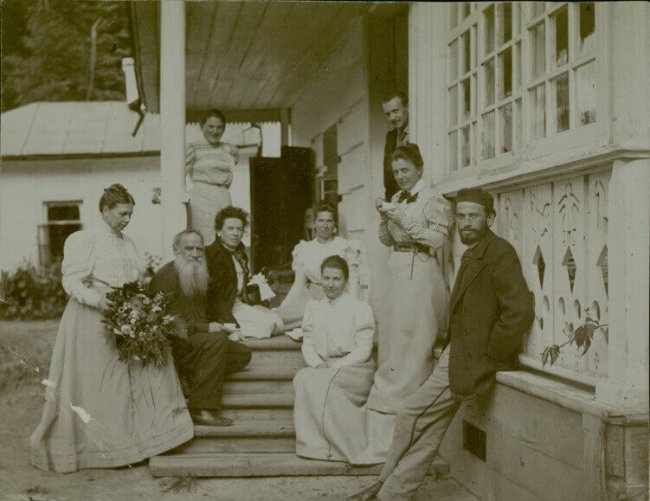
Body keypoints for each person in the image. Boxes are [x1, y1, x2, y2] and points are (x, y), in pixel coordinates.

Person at [350, 188, 535, 501]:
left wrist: (490, 354)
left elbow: (519, 311)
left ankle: (380, 485)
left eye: (474, 216)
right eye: (461, 216)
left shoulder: (499, 252)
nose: (466, 223)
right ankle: (391, 494)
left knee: (409, 414)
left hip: (471, 358)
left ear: (490, 218)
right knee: (430, 430)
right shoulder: (474, 251)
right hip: (459, 352)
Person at [30, 184, 193, 473]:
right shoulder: (85, 239)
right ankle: (109, 451)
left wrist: (139, 304)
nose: (127, 219)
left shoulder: (129, 243)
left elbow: (132, 280)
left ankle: (150, 441)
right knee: (106, 383)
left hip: (127, 314)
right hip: (92, 318)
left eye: (130, 214)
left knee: (147, 370)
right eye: (122, 214)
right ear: (105, 210)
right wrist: (98, 301)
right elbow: (71, 281)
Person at [366, 143, 453, 414]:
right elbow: (386, 239)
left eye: (405, 170)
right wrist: (384, 218)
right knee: (392, 332)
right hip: (396, 267)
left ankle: (408, 397)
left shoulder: (432, 199)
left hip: (420, 268)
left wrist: (404, 220)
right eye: (396, 172)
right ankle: (388, 393)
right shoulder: (397, 197)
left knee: (413, 332)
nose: (400, 176)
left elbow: (437, 240)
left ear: (419, 169)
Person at [293, 255, 390, 464]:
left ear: (345, 281)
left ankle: (342, 447)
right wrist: (318, 364)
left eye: (336, 279)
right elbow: (308, 343)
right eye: (326, 278)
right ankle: (315, 446)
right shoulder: (313, 308)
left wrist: (335, 365)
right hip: (323, 365)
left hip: (355, 367)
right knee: (302, 378)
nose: (330, 284)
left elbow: (363, 349)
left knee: (325, 382)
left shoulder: (359, 308)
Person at [149, 230, 252, 427]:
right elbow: (165, 322)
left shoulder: (200, 273)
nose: (196, 254)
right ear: (176, 250)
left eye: (200, 249)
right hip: (175, 344)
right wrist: (206, 327)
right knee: (217, 341)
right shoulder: (165, 277)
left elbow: (215, 306)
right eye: (189, 249)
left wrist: (231, 327)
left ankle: (190, 378)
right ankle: (201, 408)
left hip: (196, 342)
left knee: (242, 354)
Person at [276, 202, 360, 330]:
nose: (325, 225)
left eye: (329, 221)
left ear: (334, 224)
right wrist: (284, 307)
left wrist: (352, 307)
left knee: (324, 319)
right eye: (321, 221)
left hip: (338, 297)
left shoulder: (345, 247)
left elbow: (354, 280)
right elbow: (299, 285)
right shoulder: (305, 249)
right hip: (310, 298)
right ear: (314, 223)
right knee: (278, 317)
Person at [205, 206, 284, 339]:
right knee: (268, 326)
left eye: (239, 229)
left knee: (278, 323)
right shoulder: (212, 255)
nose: (235, 233)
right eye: (230, 228)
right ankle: (227, 331)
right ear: (219, 231)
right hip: (223, 312)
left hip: (237, 304)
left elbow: (237, 286)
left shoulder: (240, 255)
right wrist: (233, 327)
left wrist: (258, 283)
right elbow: (215, 300)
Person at [186, 108, 239, 245]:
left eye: (219, 127)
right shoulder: (194, 148)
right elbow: (178, 174)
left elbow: (229, 174)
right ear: (202, 126)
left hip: (223, 197)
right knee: (205, 239)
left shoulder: (228, 149)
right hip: (201, 199)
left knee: (225, 238)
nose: (215, 131)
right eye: (210, 126)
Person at [382, 91, 409, 201]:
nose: (392, 117)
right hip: (398, 201)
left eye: (395, 111)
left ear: (407, 107)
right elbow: (388, 177)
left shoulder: (419, 129)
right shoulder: (391, 137)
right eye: (388, 114)